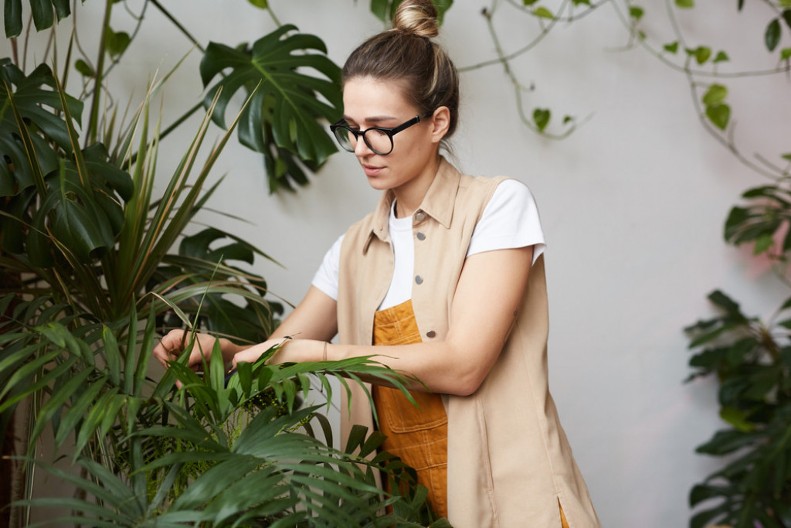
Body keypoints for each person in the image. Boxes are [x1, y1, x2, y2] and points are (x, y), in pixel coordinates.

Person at [154, 1, 600, 526]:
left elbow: (463, 367)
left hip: (510, 505)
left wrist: (321, 354)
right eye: (350, 128)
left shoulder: (497, 206)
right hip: (400, 509)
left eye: (381, 128)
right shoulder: (353, 248)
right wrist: (226, 354)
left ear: (437, 123)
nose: (363, 147)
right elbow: (283, 352)